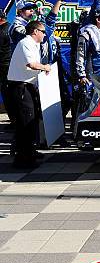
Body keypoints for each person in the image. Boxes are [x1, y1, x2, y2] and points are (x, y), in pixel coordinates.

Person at [7, 21, 51, 168]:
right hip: (20, 87)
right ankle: (22, 158)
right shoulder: (26, 43)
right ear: (34, 31)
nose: (44, 34)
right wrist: (46, 67)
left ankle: (30, 151)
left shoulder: (34, 45)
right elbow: (31, 64)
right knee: (25, 122)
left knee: (32, 120)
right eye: (42, 31)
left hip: (28, 86)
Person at [0, 10, 13, 124]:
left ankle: (14, 121)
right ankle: (14, 121)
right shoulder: (11, 27)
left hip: (4, 67)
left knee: (8, 95)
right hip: (9, 66)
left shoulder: (2, 31)